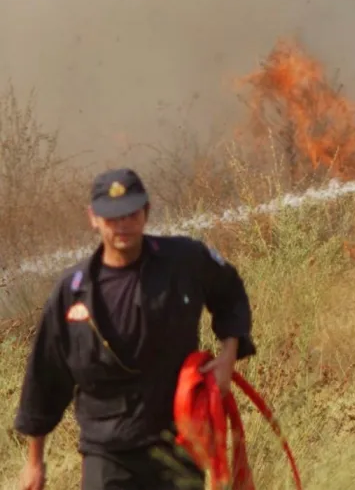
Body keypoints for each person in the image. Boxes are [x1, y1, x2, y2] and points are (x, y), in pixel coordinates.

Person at [14, 168, 257, 490]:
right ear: (93, 218)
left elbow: (230, 293)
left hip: (177, 441)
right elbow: (44, 377)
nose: (122, 224)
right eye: (112, 217)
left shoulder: (185, 260)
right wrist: (34, 463)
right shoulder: (72, 292)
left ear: (146, 212)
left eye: (130, 214)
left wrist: (228, 356)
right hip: (107, 451)